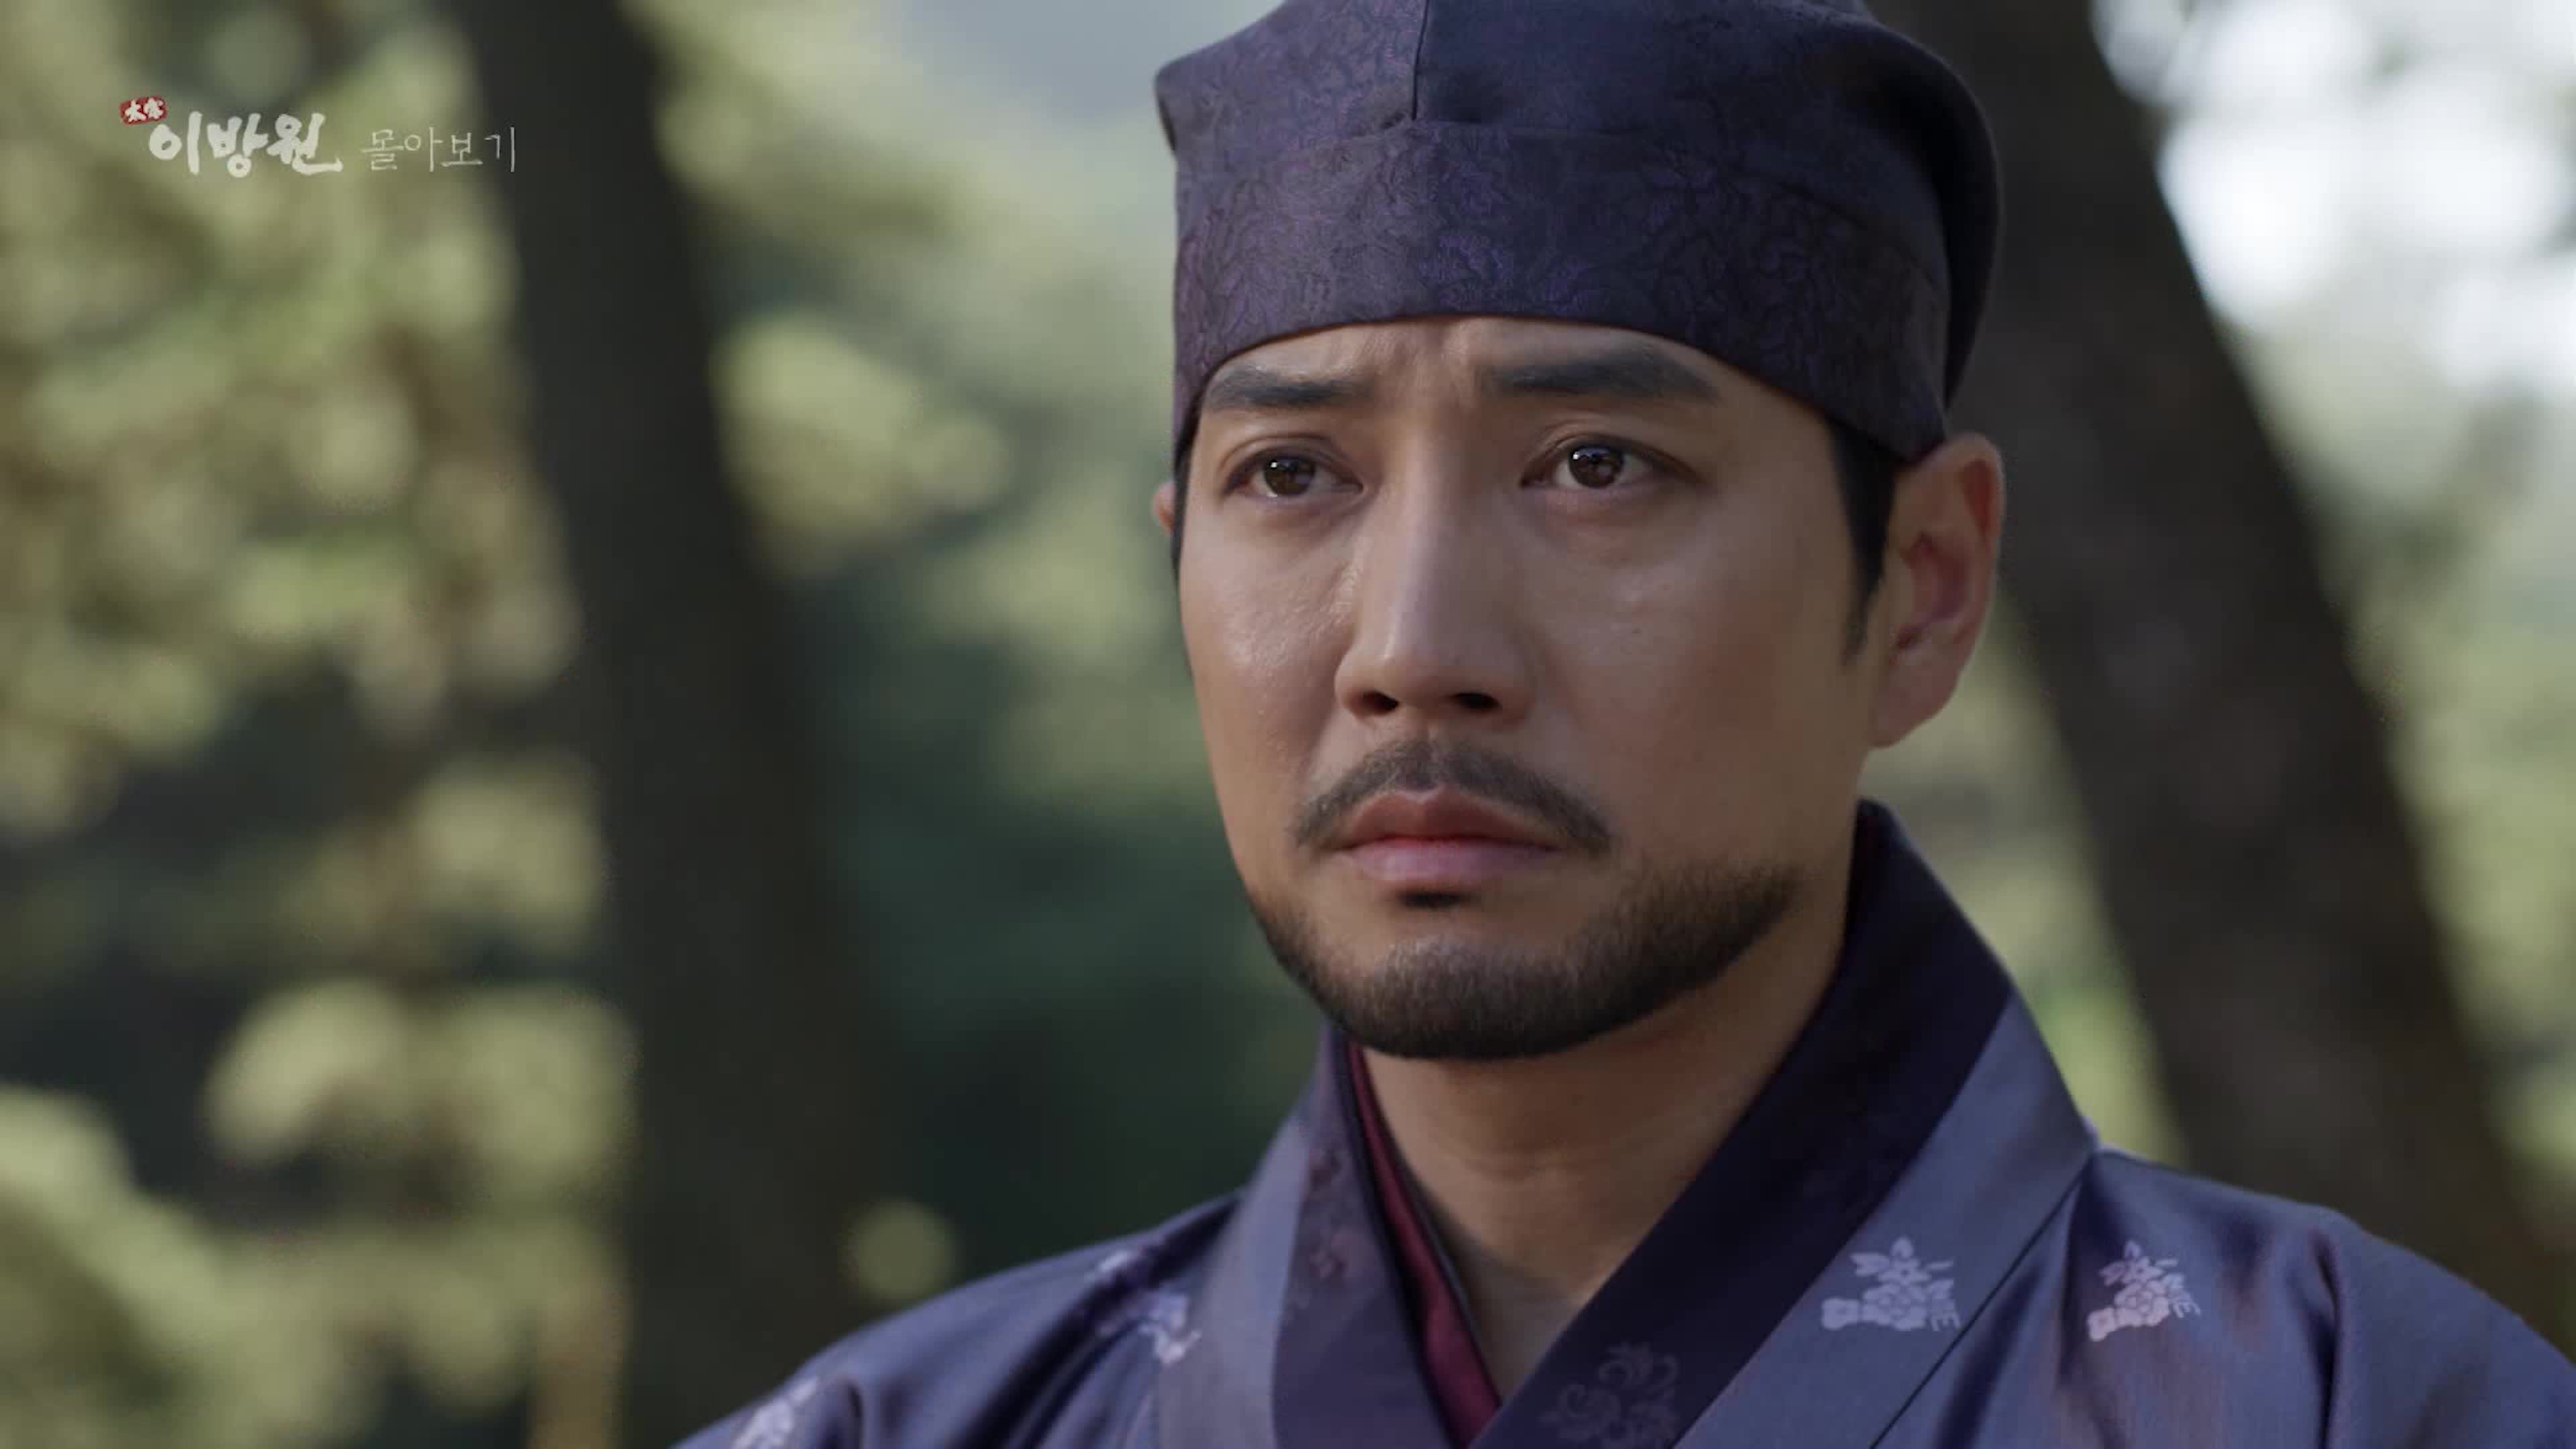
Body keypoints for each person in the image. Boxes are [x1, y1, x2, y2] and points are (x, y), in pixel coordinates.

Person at [681, 1, 2576, 1444]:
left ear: (1922, 587)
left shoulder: (2353, 1406)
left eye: (1598, 464)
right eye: (1294, 476)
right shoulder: (898, 1430)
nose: (1412, 650)